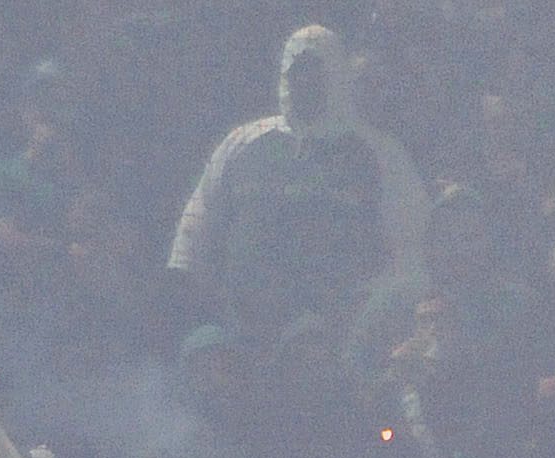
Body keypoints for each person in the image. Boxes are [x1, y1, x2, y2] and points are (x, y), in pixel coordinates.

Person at [167, 25, 428, 345]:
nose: (305, 81)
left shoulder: (379, 153)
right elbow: (196, 229)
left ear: (336, 75)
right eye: (297, 71)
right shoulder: (243, 143)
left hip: (336, 339)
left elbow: (412, 248)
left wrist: (371, 316)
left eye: (315, 71)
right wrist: (193, 297)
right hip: (242, 331)